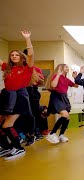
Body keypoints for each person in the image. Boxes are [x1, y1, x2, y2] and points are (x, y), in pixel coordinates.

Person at [0, 30, 35, 160]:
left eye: (16, 55)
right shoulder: (7, 68)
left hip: (20, 97)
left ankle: (19, 148)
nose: (14, 56)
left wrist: (27, 39)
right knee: (1, 125)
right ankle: (7, 147)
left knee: (7, 125)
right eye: (12, 55)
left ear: (21, 57)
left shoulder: (27, 68)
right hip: (7, 97)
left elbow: (30, 54)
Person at [46, 64, 78, 144]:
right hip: (56, 96)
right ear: (60, 68)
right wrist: (58, 74)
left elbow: (76, 86)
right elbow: (53, 85)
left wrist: (75, 78)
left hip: (64, 97)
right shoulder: (56, 76)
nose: (67, 68)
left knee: (67, 117)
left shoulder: (66, 79)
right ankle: (52, 133)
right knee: (65, 115)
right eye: (66, 67)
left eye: (68, 67)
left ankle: (61, 135)